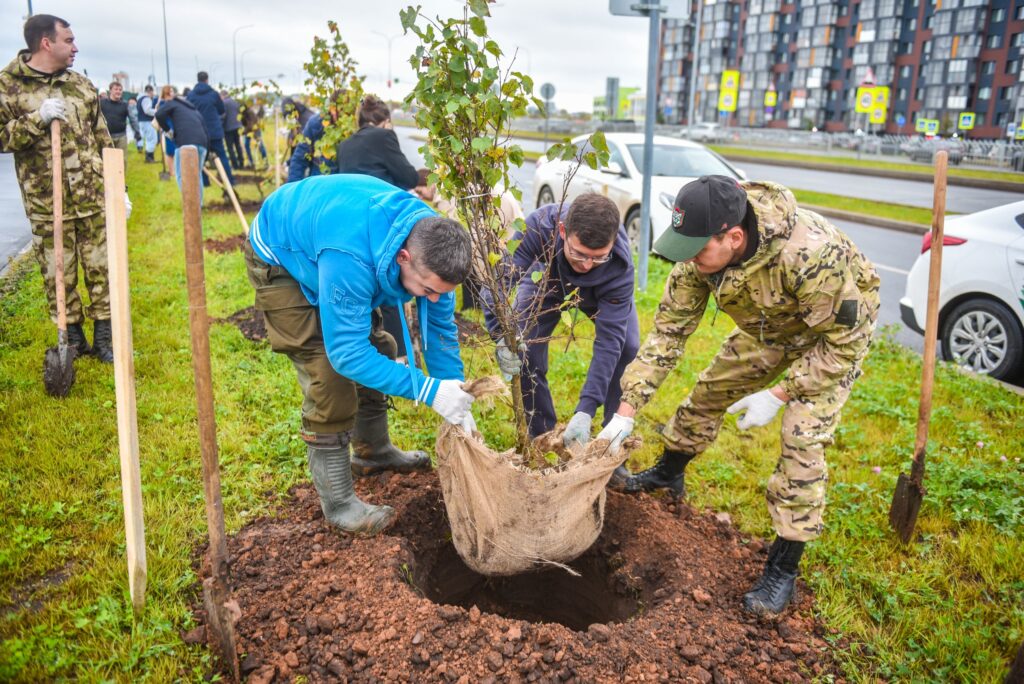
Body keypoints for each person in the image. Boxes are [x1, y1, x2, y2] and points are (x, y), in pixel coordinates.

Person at [597, 176, 880, 616]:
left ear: (734, 237)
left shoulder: (810, 254)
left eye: (696, 249)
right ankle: (669, 474)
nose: (688, 260)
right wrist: (625, 412)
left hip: (832, 338)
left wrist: (782, 392)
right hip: (771, 328)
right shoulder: (698, 259)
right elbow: (667, 337)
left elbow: (845, 342)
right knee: (709, 393)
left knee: (802, 438)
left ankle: (783, 567)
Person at [244, 174, 475, 535]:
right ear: (403, 257)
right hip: (281, 254)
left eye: (440, 293)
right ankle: (339, 505)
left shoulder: (436, 254)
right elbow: (346, 355)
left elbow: (441, 331)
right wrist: (427, 391)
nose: (433, 297)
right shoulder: (350, 256)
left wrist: (453, 390)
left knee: (382, 348)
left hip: (336, 244)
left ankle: (373, 451)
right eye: (427, 290)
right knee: (330, 374)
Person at [0, 14, 127, 364]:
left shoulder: (81, 85)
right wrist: (35, 120)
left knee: (102, 268)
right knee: (59, 272)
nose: (75, 47)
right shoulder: (8, 86)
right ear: (46, 43)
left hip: (91, 196)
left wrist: (119, 188)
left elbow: (102, 137)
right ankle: (72, 339)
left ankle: (105, 339)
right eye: (68, 40)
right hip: (46, 200)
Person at [481, 193, 639, 453]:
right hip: (548, 280)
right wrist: (501, 335)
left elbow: (610, 340)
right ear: (563, 231)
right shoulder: (539, 226)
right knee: (525, 346)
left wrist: (586, 408)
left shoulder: (619, 264)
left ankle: (610, 440)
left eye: (598, 257)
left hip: (604, 291)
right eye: (580, 254)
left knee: (626, 348)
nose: (587, 264)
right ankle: (542, 437)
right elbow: (498, 284)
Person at [336, 95, 429, 362]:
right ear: (385, 122)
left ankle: (373, 352)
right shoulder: (384, 137)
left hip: (350, 224)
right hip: (380, 219)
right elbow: (407, 176)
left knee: (364, 287)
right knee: (390, 285)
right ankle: (401, 356)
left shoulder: (345, 145)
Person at [154, 86, 209, 204]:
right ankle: (199, 204)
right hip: (202, 143)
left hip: (185, 143)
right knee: (197, 175)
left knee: (181, 174)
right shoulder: (192, 108)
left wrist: (168, 131)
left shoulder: (172, 103)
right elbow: (204, 127)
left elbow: (159, 115)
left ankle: (190, 204)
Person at [186, 71, 234, 186]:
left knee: (201, 159)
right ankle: (229, 180)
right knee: (222, 157)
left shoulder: (191, 96)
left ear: (197, 80)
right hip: (214, 131)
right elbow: (221, 110)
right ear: (207, 80)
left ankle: (205, 182)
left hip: (199, 132)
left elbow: (188, 111)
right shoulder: (213, 94)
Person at [285, 106, 338, 182]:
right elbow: (299, 160)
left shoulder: (354, 125)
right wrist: (294, 190)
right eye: (333, 111)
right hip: (318, 183)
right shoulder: (316, 123)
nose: (335, 114)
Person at [99, 81, 130, 158]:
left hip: (121, 137)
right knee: (108, 160)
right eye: (116, 89)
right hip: (107, 137)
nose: (118, 91)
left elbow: (132, 120)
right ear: (110, 91)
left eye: (120, 90)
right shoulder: (102, 103)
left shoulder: (125, 105)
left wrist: (137, 133)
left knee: (122, 160)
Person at [220, 89, 243, 169]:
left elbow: (223, 116)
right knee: (238, 145)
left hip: (228, 128)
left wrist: (220, 125)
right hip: (237, 126)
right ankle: (241, 162)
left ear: (222, 95)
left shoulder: (223, 103)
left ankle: (235, 165)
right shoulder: (235, 102)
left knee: (230, 147)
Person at [137, 84, 159, 162]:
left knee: (148, 138)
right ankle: (149, 157)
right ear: (150, 91)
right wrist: (157, 112)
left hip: (142, 121)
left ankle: (149, 156)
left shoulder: (140, 98)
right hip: (147, 121)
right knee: (152, 139)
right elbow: (147, 110)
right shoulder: (146, 98)